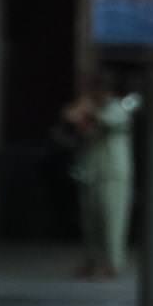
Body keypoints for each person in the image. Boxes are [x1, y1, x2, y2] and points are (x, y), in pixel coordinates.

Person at [61, 77, 135, 278]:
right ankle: (93, 261)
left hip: (113, 174)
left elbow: (104, 120)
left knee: (112, 221)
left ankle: (113, 264)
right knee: (90, 222)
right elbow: (74, 122)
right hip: (92, 172)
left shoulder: (117, 108)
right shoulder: (90, 111)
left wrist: (85, 109)